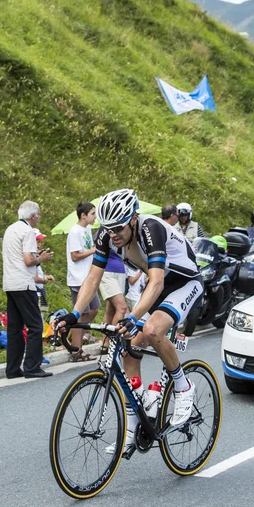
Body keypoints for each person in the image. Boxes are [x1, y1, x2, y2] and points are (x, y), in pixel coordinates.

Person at [57, 188, 203, 452]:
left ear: (133, 219)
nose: (113, 235)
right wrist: (74, 314)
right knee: (130, 347)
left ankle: (183, 387)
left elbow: (157, 282)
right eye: (108, 229)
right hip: (156, 285)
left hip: (184, 282)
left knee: (152, 329)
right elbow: (92, 278)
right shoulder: (107, 234)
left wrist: (133, 317)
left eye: (118, 229)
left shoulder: (151, 228)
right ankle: (134, 428)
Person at [2, 200, 54, 379]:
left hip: (10, 282)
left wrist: (36, 256)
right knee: (35, 325)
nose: (39, 218)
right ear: (32, 216)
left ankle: (13, 368)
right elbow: (28, 260)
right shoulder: (28, 231)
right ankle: (32, 367)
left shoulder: (10, 229)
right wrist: (42, 258)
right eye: (38, 214)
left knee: (14, 327)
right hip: (24, 283)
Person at [66, 201, 100, 362]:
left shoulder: (87, 229)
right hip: (78, 278)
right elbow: (74, 255)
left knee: (94, 309)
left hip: (88, 277)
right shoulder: (75, 231)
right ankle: (76, 350)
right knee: (80, 314)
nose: (95, 217)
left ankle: (76, 335)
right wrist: (93, 250)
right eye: (93, 214)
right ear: (83, 215)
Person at [34, 229, 55, 313]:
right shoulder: (32, 257)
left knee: (40, 315)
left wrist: (46, 276)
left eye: (41, 241)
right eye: (38, 241)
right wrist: (44, 280)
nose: (40, 244)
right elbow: (35, 278)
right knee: (37, 317)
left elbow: (36, 273)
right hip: (36, 291)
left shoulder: (35, 257)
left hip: (38, 290)